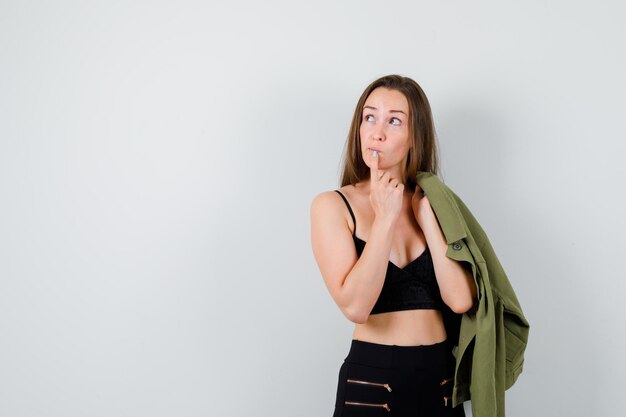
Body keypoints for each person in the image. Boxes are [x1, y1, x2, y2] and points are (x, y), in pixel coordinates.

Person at [310, 74, 477, 416]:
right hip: (373, 381)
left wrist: (429, 220)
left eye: (394, 121)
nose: (377, 132)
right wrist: (385, 218)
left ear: (415, 137)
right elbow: (356, 307)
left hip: (441, 382)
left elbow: (460, 300)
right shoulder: (332, 206)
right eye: (369, 117)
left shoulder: (434, 204)